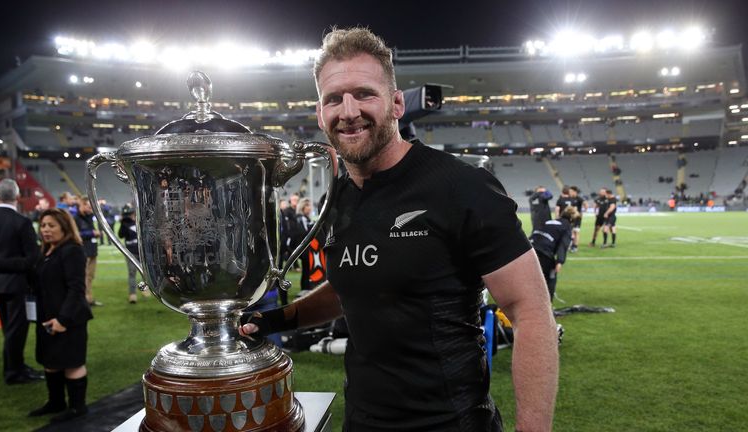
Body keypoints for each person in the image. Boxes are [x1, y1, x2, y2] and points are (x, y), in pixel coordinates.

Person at [241, 27, 557, 431]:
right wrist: (273, 320)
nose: (349, 110)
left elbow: (529, 310)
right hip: (362, 422)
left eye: (364, 94)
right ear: (320, 114)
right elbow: (352, 285)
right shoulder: (337, 197)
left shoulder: (461, 186)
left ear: (395, 104)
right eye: (334, 99)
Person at [28, 208, 92, 422]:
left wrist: (63, 320)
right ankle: (56, 402)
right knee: (50, 361)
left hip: (69, 319)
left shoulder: (72, 250)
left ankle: (77, 407)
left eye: (51, 225)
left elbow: (76, 288)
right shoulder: (46, 250)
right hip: (47, 317)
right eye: (43, 225)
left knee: (71, 362)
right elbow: (25, 267)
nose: (45, 230)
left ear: (64, 228)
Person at [0, 179, 43, 385]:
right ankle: (14, 371)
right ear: (17, 196)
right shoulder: (22, 222)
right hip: (17, 283)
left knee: (10, 329)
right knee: (16, 330)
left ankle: (15, 366)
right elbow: (31, 259)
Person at [530, 207, 579, 301]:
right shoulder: (566, 226)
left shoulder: (550, 221)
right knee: (551, 277)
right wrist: (559, 261)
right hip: (544, 252)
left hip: (530, 249)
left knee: (531, 278)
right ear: (572, 219)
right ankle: (548, 306)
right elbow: (563, 245)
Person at [74, 197, 101, 306]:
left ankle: (89, 298)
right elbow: (77, 235)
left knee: (90, 276)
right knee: (84, 277)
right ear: (82, 205)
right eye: (89, 206)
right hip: (83, 251)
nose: (90, 209)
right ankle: (83, 300)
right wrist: (92, 233)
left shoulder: (89, 217)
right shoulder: (76, 218)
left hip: (92, 250)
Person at [117, 205, 147, 303]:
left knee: (145, 273)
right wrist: (123, 223)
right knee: (132, 273)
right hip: (131, 252)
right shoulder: (125, 223)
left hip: (142, 251)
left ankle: (146, 290)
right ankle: (132, 294)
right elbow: (121, 235)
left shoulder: (140, 220)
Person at [290, 198, 314, 292]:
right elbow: (303, 234)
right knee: (306, 271)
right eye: (307, 205)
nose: (310, 208)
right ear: (302, 207)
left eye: (309, 205)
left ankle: (306, 289)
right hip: (305, 249)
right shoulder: (301, 218)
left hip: (307, 249)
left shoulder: (306, 218)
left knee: (307, 270)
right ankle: (305, 289)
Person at [568, 186, 586, 252]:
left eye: (570, 191)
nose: (569, 192)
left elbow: (586, 204)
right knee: (570, 232)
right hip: (570, 218)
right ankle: (571, 245)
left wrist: (582, 212)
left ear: (574, 192)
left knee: (576, 232)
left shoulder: (579, 198)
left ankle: (575, 247)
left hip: (577, 218)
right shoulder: (570, 198)